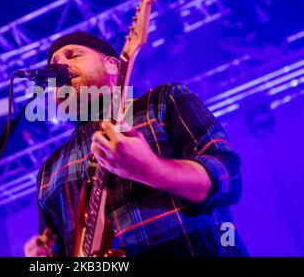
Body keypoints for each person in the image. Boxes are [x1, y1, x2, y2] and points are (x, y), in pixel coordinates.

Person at [24, 31, 249, 257]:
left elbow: (228, 176)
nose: (60, 65)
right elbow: (58, 249)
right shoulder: (48, 173)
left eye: (72, 55)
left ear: (113, 65)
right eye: (54, 65)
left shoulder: (162, 101)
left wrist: (151, 170)